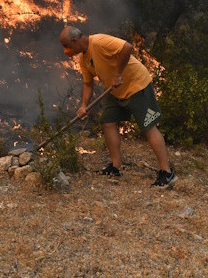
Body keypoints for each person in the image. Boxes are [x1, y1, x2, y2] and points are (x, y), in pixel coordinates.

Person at [59, 25, 177, 188]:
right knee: (107, 122)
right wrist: (83, 105)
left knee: (148, 127)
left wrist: (116, 74)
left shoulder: (99, 42)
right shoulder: (83, 59)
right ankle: (116, 166)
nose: (65, 50)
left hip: (137, 85)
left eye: (66, 46)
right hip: (116, 92)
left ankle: (167, 172)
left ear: (74, 41)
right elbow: (88, 84)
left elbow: (127, 47)